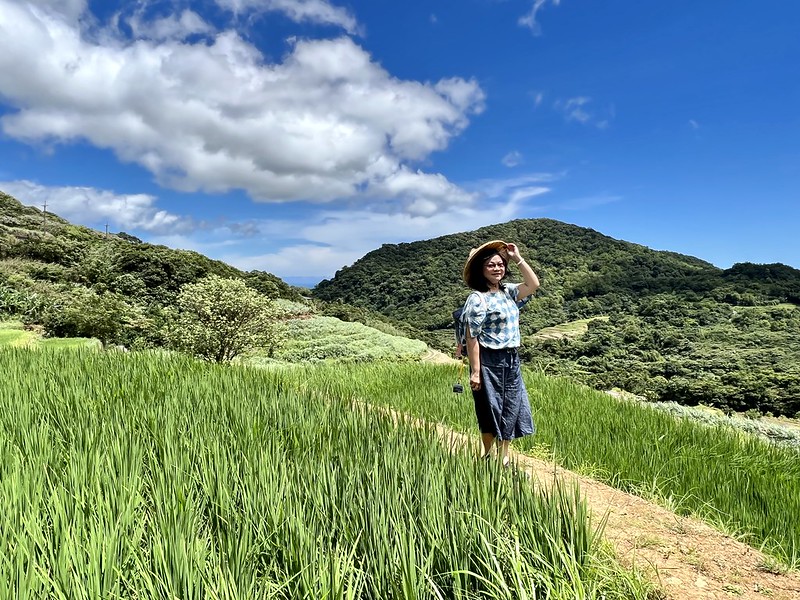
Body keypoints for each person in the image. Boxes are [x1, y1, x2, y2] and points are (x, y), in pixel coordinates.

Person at [462, 240, 540, 466]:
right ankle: (487, 455)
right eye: (491, 266)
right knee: (489, 407)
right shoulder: (478, 299)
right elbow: (472, 337)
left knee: (510, 406)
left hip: (511, 358)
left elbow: (533, 284)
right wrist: (476, 371)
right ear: (481, 270)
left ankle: (504, 457)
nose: (497, 269)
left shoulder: (509, 292)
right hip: (488, 360)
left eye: (500, 264)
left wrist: (517, 257)